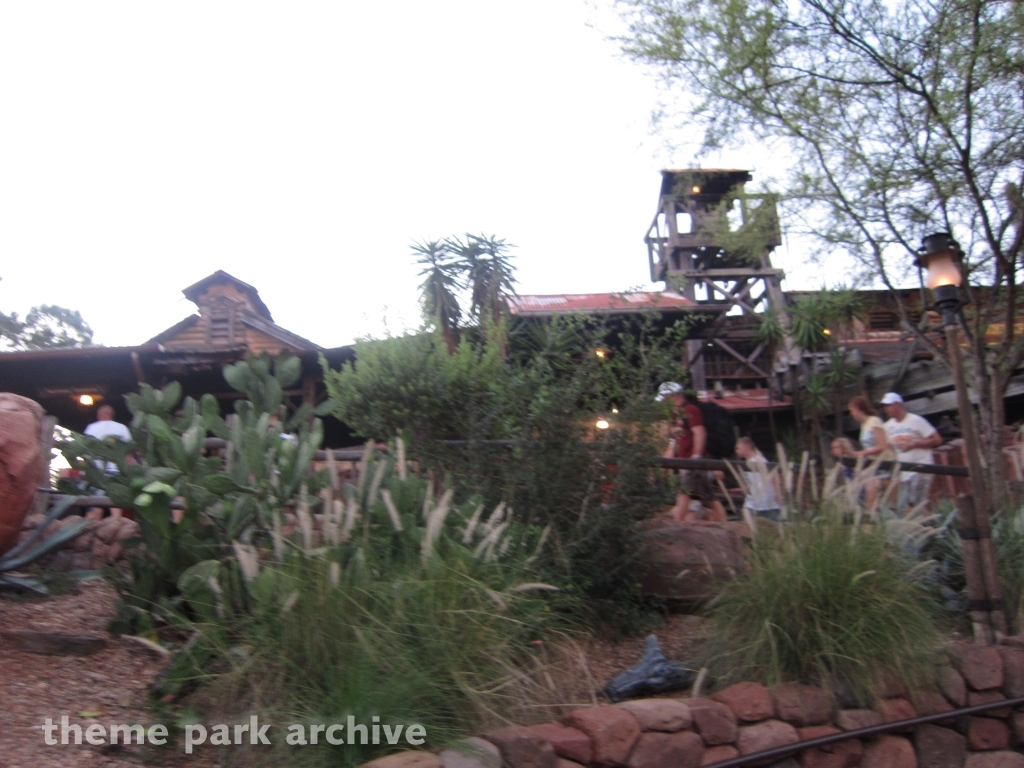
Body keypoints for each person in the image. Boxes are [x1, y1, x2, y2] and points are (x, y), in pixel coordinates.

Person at [656, 382, 726, 522]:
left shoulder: (690, 409)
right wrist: (661, 466)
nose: (664, 402)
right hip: (686, 462)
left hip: (692, 461)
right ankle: (724, 522)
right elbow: (673, 444)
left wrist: (696, 456)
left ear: (672, 396)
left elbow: (699, 432)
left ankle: (677, 523)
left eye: (665, 398)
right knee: (708, 495)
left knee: (684, 493)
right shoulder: (676, 416)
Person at [881, 392, 943, 514]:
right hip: (904, 473)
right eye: (885, 406)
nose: (886, 408)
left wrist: (914, 444)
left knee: (912, 505)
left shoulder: (916, 420)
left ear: (898, 405)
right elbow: (887, 449)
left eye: (889, 405)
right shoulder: (887, 427)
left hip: (920, 467)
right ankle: (931, 529)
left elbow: (937, 439)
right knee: (916, 508)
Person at [83, 404, 132, 519]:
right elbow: (129, 451)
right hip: (117, 470)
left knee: (96, 502)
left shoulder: (92, 427)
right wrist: (127, 471)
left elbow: (85, 450)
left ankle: (92, 528)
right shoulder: (122, 428)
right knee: (115, 501)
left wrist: (86, 469)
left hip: (97, 471)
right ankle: (116, 523)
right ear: (111, 415)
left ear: (100, 414)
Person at [847, 395, 891, 508]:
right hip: (873, 466)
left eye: (851, 410)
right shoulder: (863, 425)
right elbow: (869, 447)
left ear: (858, 409)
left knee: (897, 500)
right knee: (870, 501)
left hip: (885, 464)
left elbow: (883, 446)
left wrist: (862, 453)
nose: (851, 413)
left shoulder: (874, 421)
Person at [735, 437, 781, 522]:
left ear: (747, 447)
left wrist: (776, 492)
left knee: (774, 525)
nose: (736, 451)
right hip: (753, 501)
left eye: (738, 448)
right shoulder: (746, 464)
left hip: (765, 501)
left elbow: (773, 475)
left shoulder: (759, 460)